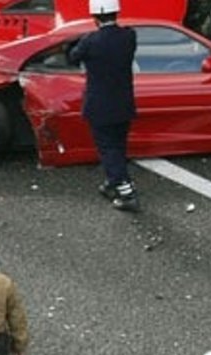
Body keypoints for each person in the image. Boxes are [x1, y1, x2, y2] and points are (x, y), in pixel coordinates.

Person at [68, 0, 139, 211]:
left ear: (94, 17)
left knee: (109, 150)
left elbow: (73, 57)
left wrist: (75, 42)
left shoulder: (90, 41)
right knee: (118, 146)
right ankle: (112, 182)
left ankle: (126, 193)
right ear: (116, 12)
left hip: (99, 105)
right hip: (123, 103)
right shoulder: (129, 36)